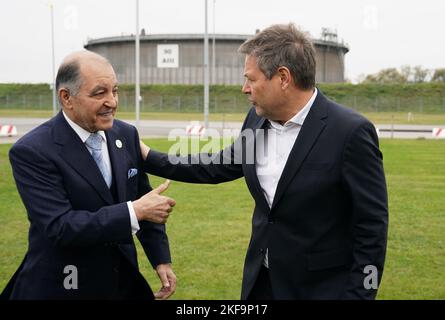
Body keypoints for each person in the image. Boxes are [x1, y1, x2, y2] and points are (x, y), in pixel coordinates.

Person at [139, 23, 388, 299]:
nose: (244, 89)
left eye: (251, 79)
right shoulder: (257, 118)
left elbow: (371, 227)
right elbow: (217, 165)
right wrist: (149, 157)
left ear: (283, 77)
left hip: (319, 288)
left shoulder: (350, 132)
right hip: (262, 283)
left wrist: (360, 294)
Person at [1, 50, 177, 300]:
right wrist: (133, 211)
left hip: (121, 284)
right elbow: (60, 227)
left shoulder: (126, 135)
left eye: (115, 91)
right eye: (99, 93)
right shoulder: (32, 151)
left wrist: (161, 260)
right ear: (66, 98)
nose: (113, 102)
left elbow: (143, 201)